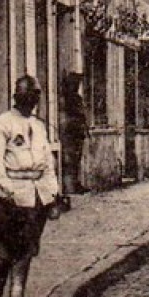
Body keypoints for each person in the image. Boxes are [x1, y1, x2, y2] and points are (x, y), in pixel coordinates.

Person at [0, 75, 60, 297]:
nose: (31, 99)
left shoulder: (38, 126)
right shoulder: (1, 124)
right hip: (12, 197)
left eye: (35, 94)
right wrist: (6, 194)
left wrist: (52, 194)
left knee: (26, 250)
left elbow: (47, 163)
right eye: (25, 94)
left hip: (36, 197)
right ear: (16, 96)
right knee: (5, 251)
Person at [58, 71, 88, 209]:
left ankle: (75, 184)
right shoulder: (67, 99)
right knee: (69, 161)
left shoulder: (76, 98)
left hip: (77, 134)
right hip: (70, 135)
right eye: (75, 83)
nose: (76, 86)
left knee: (75, 160)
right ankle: (69, 188)